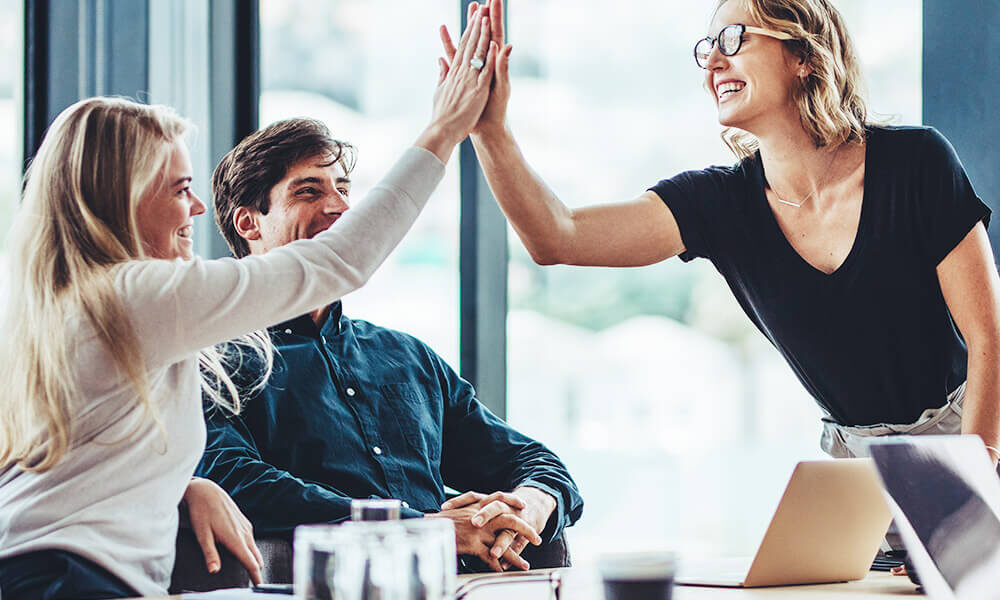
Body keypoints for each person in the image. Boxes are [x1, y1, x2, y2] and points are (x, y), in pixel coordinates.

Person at [0, 13, 497, 599]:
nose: (198, 210)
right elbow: (338, 262)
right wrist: (443, 131)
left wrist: (187, 486)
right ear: (124, 196)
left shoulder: (67, 306)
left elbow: (81, 459)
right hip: (72, 582)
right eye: (179, 190)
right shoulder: (132, 295)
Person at [450, 0, 1000, 463]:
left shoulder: (917, 162)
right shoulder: (718, 204)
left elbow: (989, 339)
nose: (712, 60)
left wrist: (972, 486)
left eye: (734, 38)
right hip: (856, 471)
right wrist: (490, 131)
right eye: (706, 47)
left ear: (805, 55)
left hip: (974, 436)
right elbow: (557, 237)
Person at [197, 116, 583, 574]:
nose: (340, 207)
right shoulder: (214, 360)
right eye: (309, 191)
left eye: (342, 188)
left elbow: (532, 460)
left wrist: (529, 505)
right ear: (249, 223)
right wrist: (419, 528)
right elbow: (235, 479)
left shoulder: (407, 357)